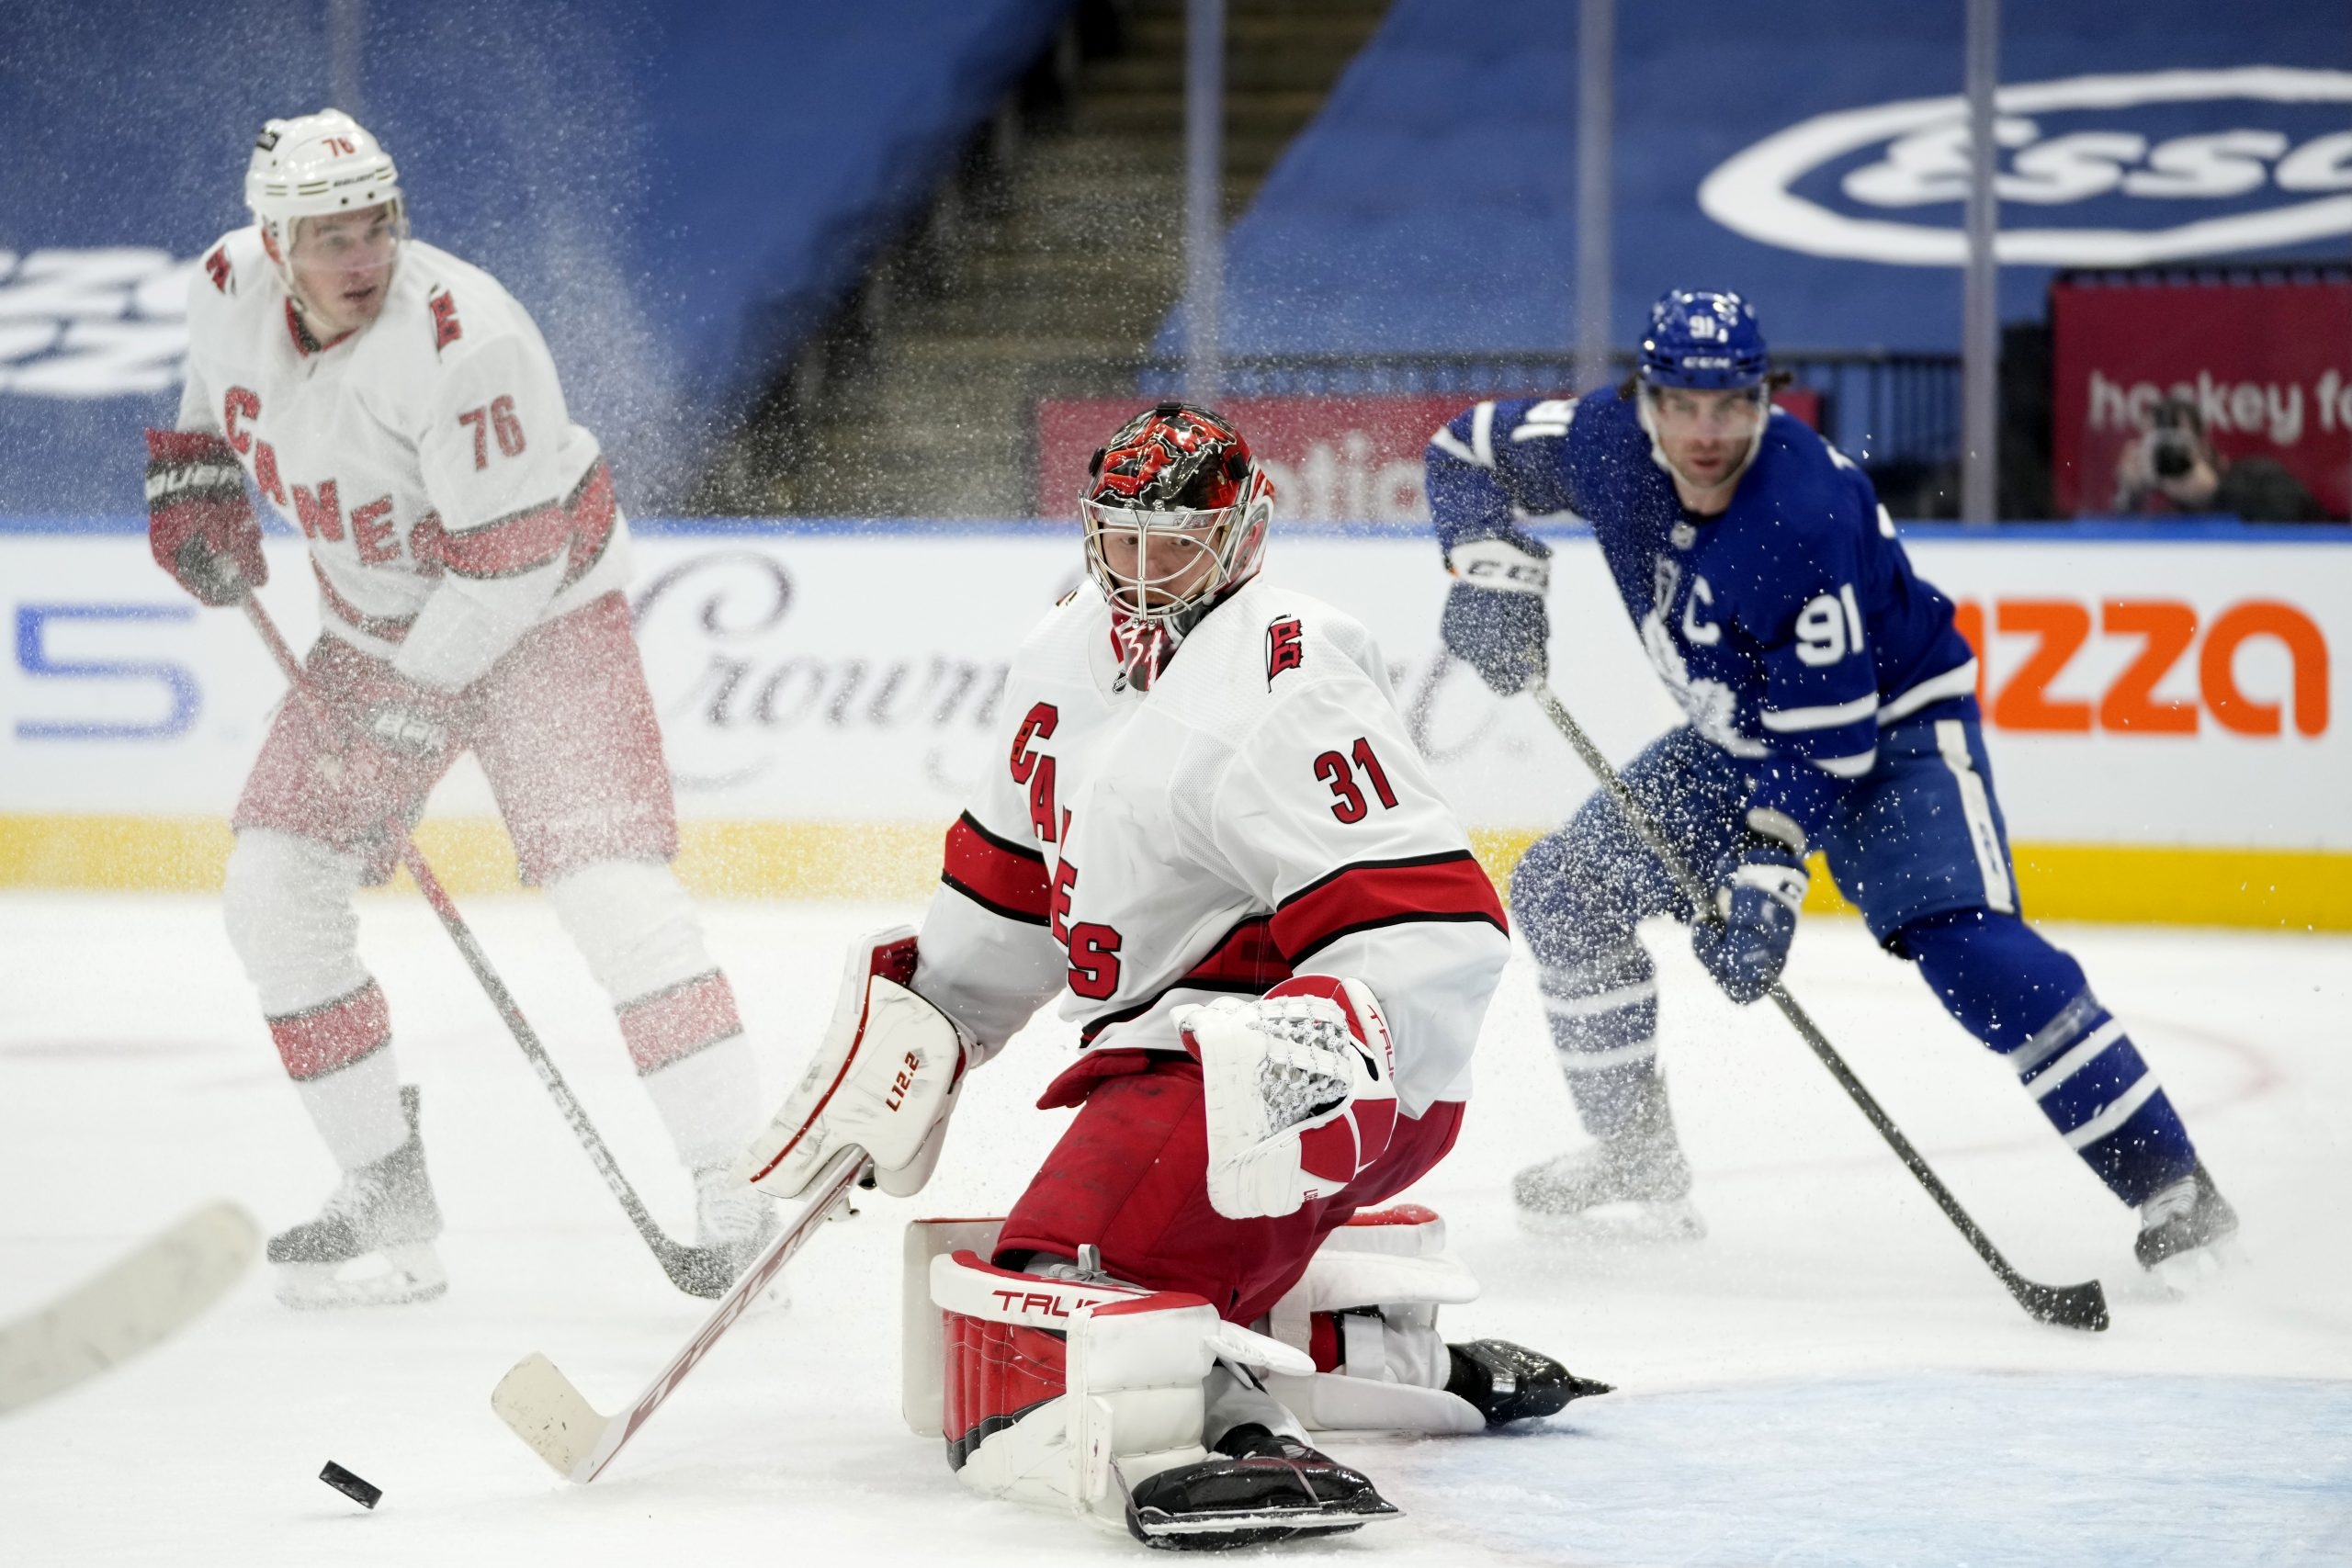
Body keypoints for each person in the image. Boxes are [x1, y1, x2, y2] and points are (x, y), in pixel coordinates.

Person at [738, 403, 1605, 1549]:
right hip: (1171, 1069)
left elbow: (1434, 925)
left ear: (1243, 533)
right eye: (1122, 539)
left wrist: (1313, 1058)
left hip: (1302, 1083)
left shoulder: (1290, 681)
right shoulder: (1060, 654)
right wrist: (927, 1030)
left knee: (1044, 1317)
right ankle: (1377, 1350)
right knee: (1033, 1288)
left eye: (1175, 542)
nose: (1143, 574)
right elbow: (1009, 891)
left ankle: (1222, 1424)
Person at [1422, 289, 2238, 1280]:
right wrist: (1488, 572)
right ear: (1646, 399)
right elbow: (1460, 450)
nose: (1706, 431)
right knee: (1567, 891)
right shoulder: (1601, 441)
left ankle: (2173, 1191)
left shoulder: (1795, 511)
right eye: (1683, 404)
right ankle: (1638, 1162)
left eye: (1730, 405)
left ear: (1767, 399)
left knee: (1972, 953)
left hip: (1889, 733)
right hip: (1739, 733)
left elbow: (1831, 740)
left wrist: (1764, 881)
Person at [142, 110, 771, 1307]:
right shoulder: (225, 284)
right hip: (373, 629)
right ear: (274, 239)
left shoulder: (462, 338)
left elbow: (506, 573)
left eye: (375, 220)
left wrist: (406, 719)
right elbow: (208, 392)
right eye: (328, 232)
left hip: (545, 628)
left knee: (613, 897)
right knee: (272, 887)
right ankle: (383, 1184)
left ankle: (738, 1188)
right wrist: (195, 476)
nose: (360, 249)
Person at [2110, 395, 2326, 522]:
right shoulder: (2152, 504)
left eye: (2179, 443)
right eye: (2157, 445)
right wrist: (2128, 496)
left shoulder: (2256, 478)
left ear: (2203, 444)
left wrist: (2214, 493)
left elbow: (2309, 525)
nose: (2168, 453)